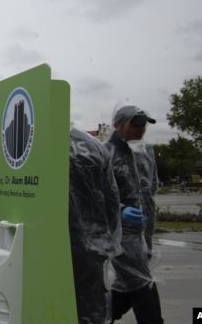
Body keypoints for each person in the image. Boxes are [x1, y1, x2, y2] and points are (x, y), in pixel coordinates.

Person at [105, 105, 163, 323]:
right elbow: (97, 194)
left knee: (128, 284)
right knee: (141, 281)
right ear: (117, 124)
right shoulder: (105, 153)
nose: (140, 129)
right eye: (135, 124)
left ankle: (98, 317)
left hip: (144, 230)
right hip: (121, 233)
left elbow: (152, 186)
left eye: (143, 124)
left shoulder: (146, 152)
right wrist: (120, 210)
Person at [68, 127, 121, 324]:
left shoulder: (36, 142)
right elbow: (112, 198)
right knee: (91, 309)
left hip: (47, 242)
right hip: (93, 243)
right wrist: (110, 239)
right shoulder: (94, 145)